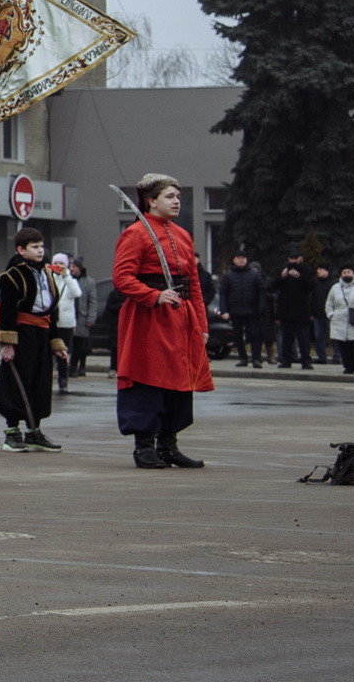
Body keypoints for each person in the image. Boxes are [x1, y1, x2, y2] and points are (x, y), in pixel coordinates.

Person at [111, 173, 213, 471]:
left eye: (178, 196)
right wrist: (154, 296)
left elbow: (193, 285)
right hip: (148, 318)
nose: (177, 201)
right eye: (170, 196)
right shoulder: (135, 233)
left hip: (181, 319)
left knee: (179, 383)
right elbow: (122, 278)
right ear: (151, 201)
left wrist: (202, 326)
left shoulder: (182, 235)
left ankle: (169, 446)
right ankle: (144, 447)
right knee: (148, 380)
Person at [0, 229, 64, 452]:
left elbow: (52, 313)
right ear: (21, 250)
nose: (40, 250)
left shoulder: (47, 274)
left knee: (41, 381)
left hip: (41, 334)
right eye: (35, 247)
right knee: (17, 381)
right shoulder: (12, 275)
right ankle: (12, 432)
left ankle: (34, 430)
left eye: (41, 246)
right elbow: (6, 312)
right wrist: (8, 343)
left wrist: (56, 343)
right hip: (23, 333)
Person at [214, 250, 267, 369]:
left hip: (252, 310)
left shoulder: (255, 275)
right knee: (237, 335)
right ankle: (243, 358)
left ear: (247, 260)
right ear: (234, 260)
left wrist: (261, 309)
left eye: (243, 258)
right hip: (235, 310)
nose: (241, 260)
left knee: (254, 334)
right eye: (238, 258)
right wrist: (224, 310)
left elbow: (261, 293)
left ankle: (256, 359)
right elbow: (223, 294)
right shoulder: (228, 275)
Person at [50, 254, 85, 392]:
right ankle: (46, 381)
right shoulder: (48, 277)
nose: (58, 265)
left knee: (62, 353)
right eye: (56, 262)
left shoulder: (69, 279)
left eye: (61, 263)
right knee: (48, 353)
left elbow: (77, 293)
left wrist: (66, 276)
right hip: (51, 321)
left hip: (66, 323)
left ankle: (63, 382)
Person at [275, 256, 313, 369]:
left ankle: (306, 361)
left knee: (303, 339)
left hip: (301, 311)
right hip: (286, 311)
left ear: (301, 259)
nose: (293, 261)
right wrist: (281, 277)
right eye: (291, 258)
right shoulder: (283, 270)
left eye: (295, 258)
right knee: (287, 338)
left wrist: (300, 277)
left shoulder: (307, 271)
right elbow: (273, 285)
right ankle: (286, 360)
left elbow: (312, 285)